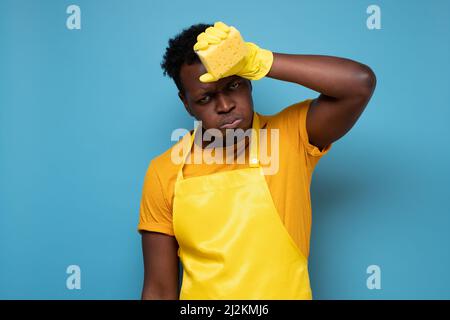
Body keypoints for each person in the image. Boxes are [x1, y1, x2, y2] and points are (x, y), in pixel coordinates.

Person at [138, 21, 376, 300]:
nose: (225, 105)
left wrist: (259, 59)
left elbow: (359, 83)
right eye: (206, 98)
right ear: (186, 103)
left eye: (234, 84)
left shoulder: (290, 137)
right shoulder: (164, 171)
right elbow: (159, 290)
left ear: (250, 80)